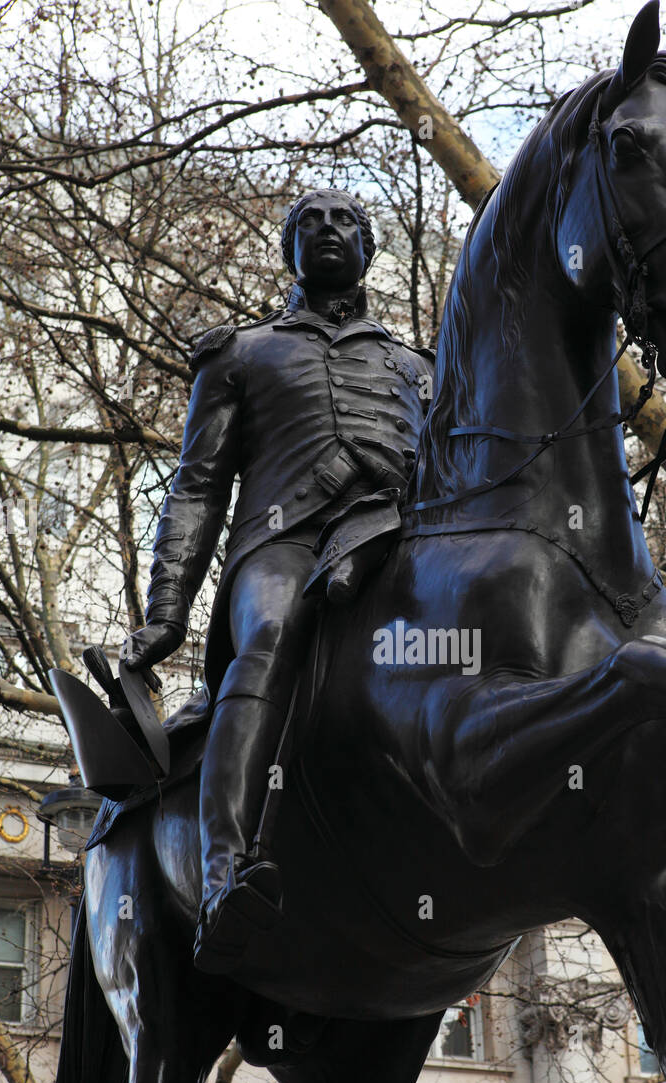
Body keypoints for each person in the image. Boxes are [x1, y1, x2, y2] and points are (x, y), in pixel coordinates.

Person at [122, 187, 433, 973]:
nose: (328, 232)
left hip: (396, 544)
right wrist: (168, 614)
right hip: (283, 545)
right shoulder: (241, 353)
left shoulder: (418, 366)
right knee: (268, 637)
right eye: (311, 224)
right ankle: (225, 871)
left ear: (370, 248)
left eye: (345, 223)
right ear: (289, 248)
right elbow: (196, 487)